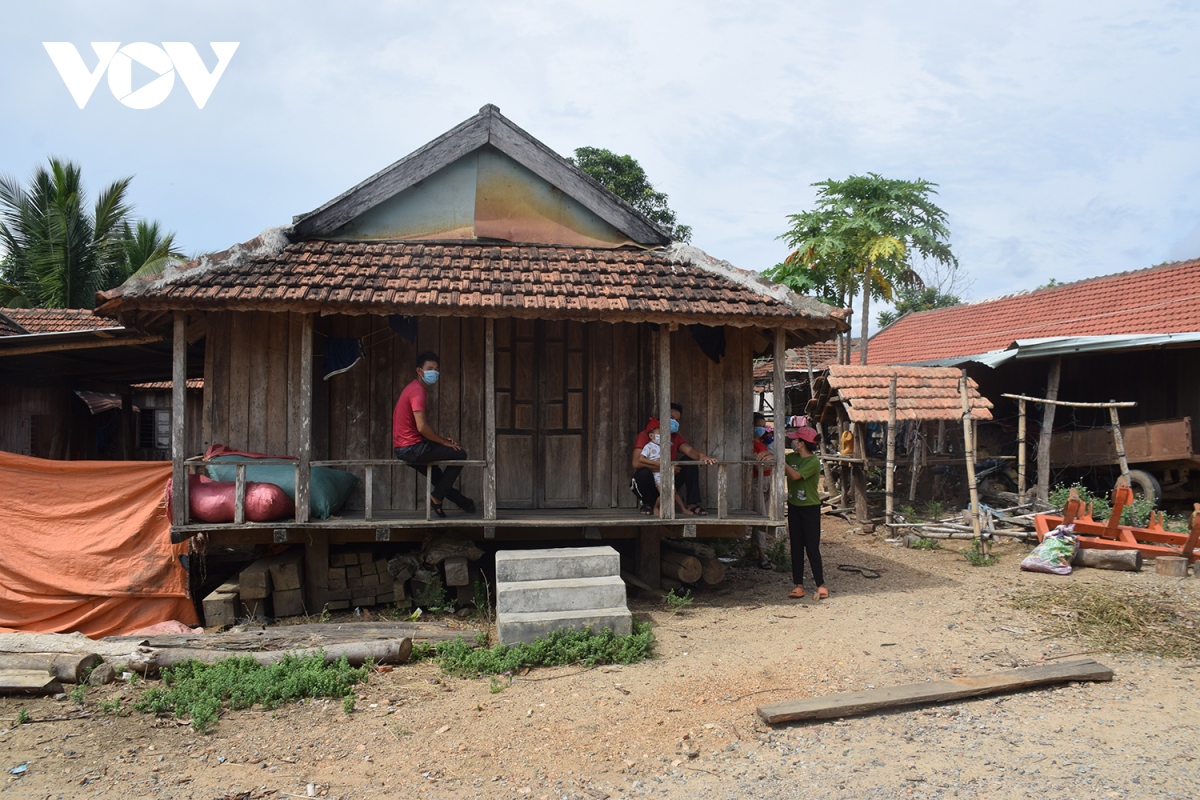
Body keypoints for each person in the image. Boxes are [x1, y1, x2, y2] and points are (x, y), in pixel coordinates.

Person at [392, 351, 476, 517]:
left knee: (438, 478)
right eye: (430, 368)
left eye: (436, 369)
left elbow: (418, 428)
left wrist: (441, 440)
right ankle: (437, 498)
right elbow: (422, 427)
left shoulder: (412, 388)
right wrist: (443, 443)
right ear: (419, 371)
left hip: (405, 447)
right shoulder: (417, 391)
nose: (434, 372)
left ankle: (465, 504)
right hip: (412, 448)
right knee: (460, 454)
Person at [630, 402, 716, 514]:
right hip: (651, 481)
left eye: (677, 420)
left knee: (689, 462)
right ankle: (648, 504)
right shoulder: (646, 435)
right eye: (671, 418)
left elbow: (689, 450)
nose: (674, 422)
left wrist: (702, 456)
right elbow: (636, 464)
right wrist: (667, 469)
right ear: (662, 417)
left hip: (667, 480)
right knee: (643, 473)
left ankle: (692, 504)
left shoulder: (675, 437)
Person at [784, 426, 826, 600]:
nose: (793, 442)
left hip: (810, 508)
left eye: (795, 440)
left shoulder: (813, 461)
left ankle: (821, 585)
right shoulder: (791, 457)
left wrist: (780, 462)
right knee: (796, 547)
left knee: (812, 547)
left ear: (801, 443)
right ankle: (798, 585)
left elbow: (795, 476)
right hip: (794, 506)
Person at [639, 423, 693, 517]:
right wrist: (655, 463)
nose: (662, 436)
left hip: (666, 473)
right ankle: (656, 507)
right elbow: (641, 459)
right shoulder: (648, 447)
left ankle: (683, 509)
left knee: (673, 491)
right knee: (665, 492)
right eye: (660, 433)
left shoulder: (664, 446)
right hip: (657, 474)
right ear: (651, 436)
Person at [750, 412, 775, 569]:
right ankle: (762, 555)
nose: (760, 429)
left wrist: (768, 457)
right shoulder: (751, 444)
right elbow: (762, 465)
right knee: (761, 517)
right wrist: (770, 458)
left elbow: (768, 463)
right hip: (757, 480)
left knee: (763, 515)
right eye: (757, 426)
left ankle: (756, 551)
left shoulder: (762, 441)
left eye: (762, 426)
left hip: (767, 479)